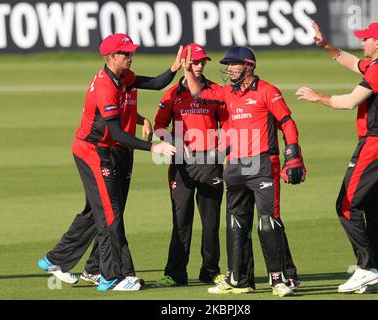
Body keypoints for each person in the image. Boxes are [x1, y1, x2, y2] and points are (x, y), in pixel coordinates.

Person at [38, 33, 178, 291]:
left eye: (131, 52)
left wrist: (174, 68)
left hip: (113, 150)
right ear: (111, 57)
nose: (130, 56)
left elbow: (156, 83)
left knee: (99, 211)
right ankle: (112, 276)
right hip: (94, 150)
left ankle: (64, 262)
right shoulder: (104, 85)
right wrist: (153, 146)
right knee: (110, 213)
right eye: (125, 53)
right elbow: (114, 131)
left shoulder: (124, 76)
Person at [183, 46, 306, 297]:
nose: (228, 69)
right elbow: (197, 91)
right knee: (236, 223)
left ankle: (280, 280)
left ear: (248, 66)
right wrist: (186, 69)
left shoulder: (267, 91)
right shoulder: (227, 92)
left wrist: (292, 154)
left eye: (233, 64)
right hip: (236, 165)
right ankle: (240, 280)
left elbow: (287, 123)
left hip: (262, 164)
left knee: (268, 222)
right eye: (227, 64)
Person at [295, 21, 378, 294]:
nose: (362, 43)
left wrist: (316, 97)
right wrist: (325, 46)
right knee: (376, 211)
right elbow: (352, 62)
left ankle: (366, 269)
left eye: (366, 39)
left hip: (377, 144)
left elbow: (348, 102)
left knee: (346, 205)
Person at [152, 43, 228, 287]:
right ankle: (175, 273)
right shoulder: (171, 94)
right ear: (184, 64)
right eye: (194, 62)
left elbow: (227, 127)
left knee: (211, 221)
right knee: (181, 219)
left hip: (210, 163)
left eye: (201, 62)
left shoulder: (215, 91)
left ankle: (210, 271)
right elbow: (160, 127)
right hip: (181, 163)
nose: (199, 66)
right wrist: (173, 141)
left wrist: (218, 154)